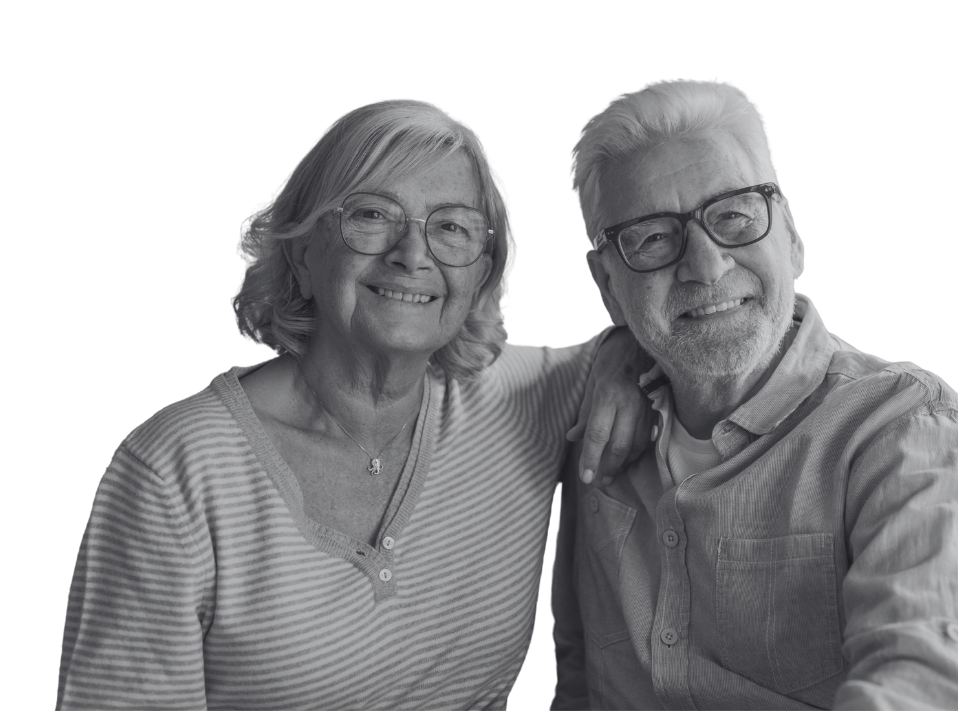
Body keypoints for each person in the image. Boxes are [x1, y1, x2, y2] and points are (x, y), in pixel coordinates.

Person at [57, 98, 650, 710]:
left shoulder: (519, 399)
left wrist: (622, 355)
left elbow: (659, 332)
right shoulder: (175, 471)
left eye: (450, 226)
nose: (412, 255)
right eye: (372, 215)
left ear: (482, 269)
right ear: (301, 251)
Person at [551, 78, 958, 710]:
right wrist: (615, 352)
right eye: (651, 237)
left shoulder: (901, 428)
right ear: (607, 284)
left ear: (790, 234)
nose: (705, 266)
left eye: (732, 216)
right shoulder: (589, 440)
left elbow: (931, 684)